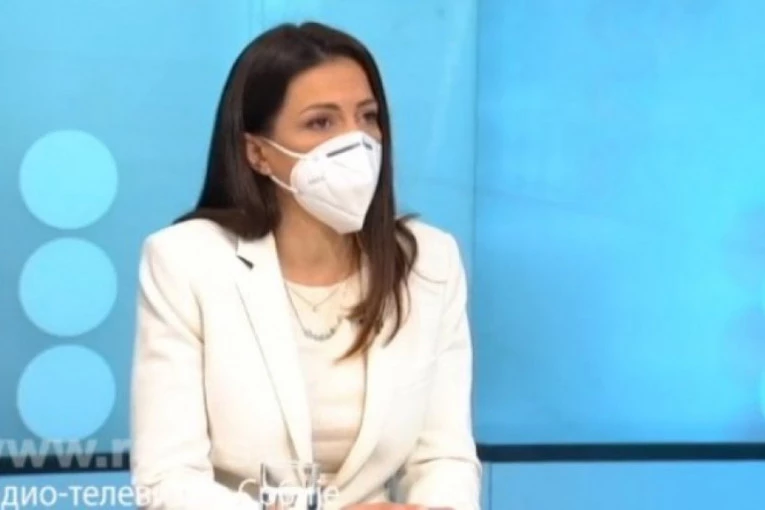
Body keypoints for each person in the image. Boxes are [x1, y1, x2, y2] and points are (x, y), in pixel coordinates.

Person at [130, 21, 480, 510]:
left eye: (368, 117)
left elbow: (444, 457)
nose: (357, 142)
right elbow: (167, 479)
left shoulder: (429, 261)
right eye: (321, 123)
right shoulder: (185, 261)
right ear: (258, 153)